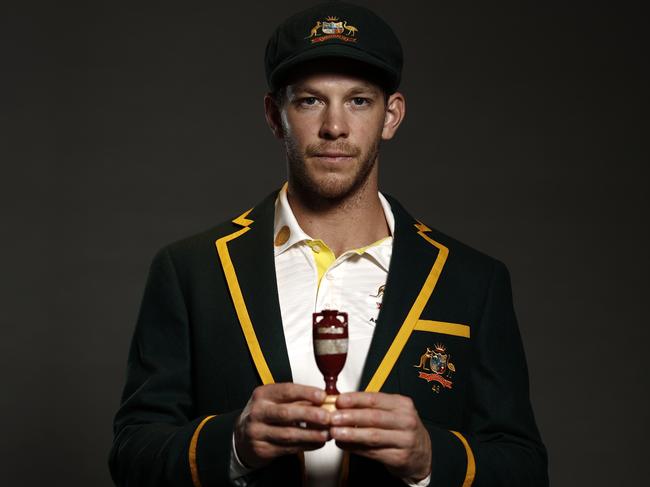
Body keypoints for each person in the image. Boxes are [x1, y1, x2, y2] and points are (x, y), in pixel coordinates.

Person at [109, 2, 548, 486]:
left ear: (391, 115)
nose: (334, 127)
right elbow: (133, 454)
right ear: (275, 115)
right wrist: (233, 444)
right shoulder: (191, 270)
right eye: (309, 101)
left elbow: (524, 467)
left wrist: (429, 457)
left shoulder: (472, 280)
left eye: (358, 100)